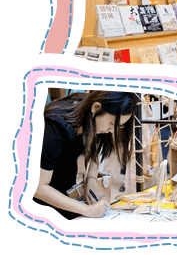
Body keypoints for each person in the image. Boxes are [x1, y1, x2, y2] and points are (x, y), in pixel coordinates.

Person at [33, 90, 139, 219]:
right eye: (112, 124)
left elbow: (94, 151)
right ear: (96, 108)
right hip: (41, 197)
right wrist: (86, 210)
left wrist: (91, 179)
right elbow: (38, 187)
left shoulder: (92, 114)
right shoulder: (55, 127)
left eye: (118, 126)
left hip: (64, 184)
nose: (111, 131)